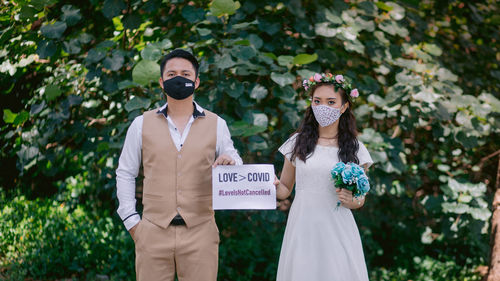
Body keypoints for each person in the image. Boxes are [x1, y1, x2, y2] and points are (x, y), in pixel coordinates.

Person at [115, 49, 243, 281]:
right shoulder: (140, 124)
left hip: (201, 232)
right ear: (162, 82)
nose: (179, 78)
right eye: (172, 74)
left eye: (185, 73)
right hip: (152, 231)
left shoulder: (217, 123)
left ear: (196, 81)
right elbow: (125, 173)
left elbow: (236, 163)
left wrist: (230, 163)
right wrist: (132, 222)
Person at [274, 73, 373, 281]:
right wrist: (269, 184)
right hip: (303, 224)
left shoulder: (355, 149)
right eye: (317, 101)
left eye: (331, 102)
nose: (323, 107)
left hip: (337, 225)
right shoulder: (296, 143)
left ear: (344, 106)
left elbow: (360, 199)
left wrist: (353, 201)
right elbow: (284, 190)